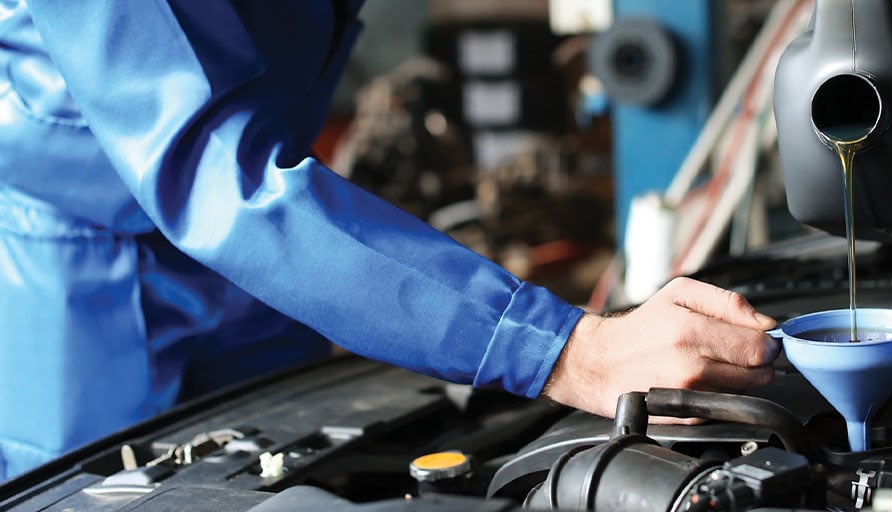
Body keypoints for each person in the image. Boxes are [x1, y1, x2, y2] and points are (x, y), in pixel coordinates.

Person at [0, 0, 784, 481]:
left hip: (284, 262)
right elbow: (213, 170)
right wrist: (563, 348)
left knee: (296, 489)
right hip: (92, 290)